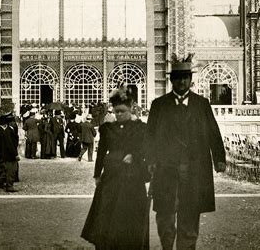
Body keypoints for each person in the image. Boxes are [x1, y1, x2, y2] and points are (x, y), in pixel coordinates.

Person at [145, 55, 226, 250]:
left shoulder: (201, 104)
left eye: (185, 77)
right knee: (165, 214)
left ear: (191, 80)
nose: (182, 82)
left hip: (194, 169)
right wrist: (150, 160)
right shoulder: (159, 105)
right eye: (178, 77)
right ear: (171, 80)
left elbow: (213, 133)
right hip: (165, 170)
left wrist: (219, 158)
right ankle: (167, 245)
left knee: (190, 213)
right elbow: (149, 137)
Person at [81, 86, 150, 249]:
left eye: (122, 111)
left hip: (133, 177)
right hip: (111, 177)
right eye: (116, 111)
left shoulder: (140, 128)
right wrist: (97, 174)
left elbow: (147, 149)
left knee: (130, 214)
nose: (119, 115)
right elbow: (101, 152)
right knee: (107, 213)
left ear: (130, 109)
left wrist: (134, 156)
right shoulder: (107, 129)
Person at [0, 112, 20, 192]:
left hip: (3, 153)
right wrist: (15, 154)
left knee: (3, 168)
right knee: (11, 170)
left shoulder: (4, 130)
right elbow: (11, 144)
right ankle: (9, 186)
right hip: (8, 154)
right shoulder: (8, 131)